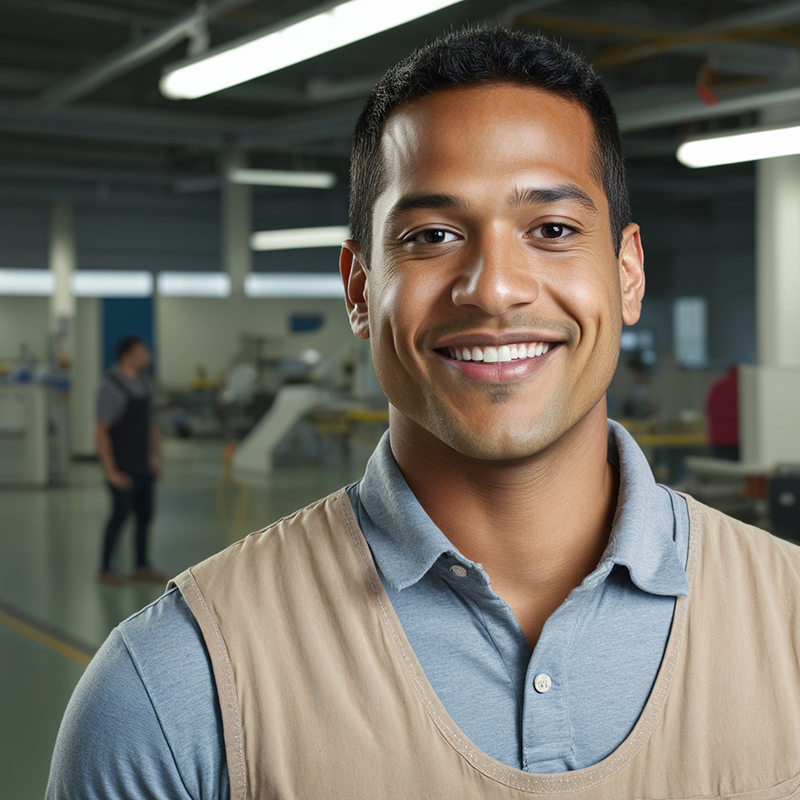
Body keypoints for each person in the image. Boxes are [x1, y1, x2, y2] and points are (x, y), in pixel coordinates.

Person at [48, 29, 800, 799]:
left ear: (628, 274)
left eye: (552, 230)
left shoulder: (789, 620)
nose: (495, 288)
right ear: (359, 290)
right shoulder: (175, 692)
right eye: (432, 236)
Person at [95, 335, 165, 585]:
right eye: (142, 350)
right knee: (119, 516)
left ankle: (141, 566)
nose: (147, 354)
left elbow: (150, 426)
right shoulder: (110, 386)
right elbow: (101, 431)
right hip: (122, 466)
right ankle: (105, 568)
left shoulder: (145, 385)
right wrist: (110, 471)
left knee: (145, 516)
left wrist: (154, 458)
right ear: (127, 356)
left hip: (143, 464)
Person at [705, 364, 739, 460]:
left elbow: (708, 408)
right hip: (738, 440)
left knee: (723, 472)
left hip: (718, 439)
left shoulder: (718, 386)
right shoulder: (745, 387)